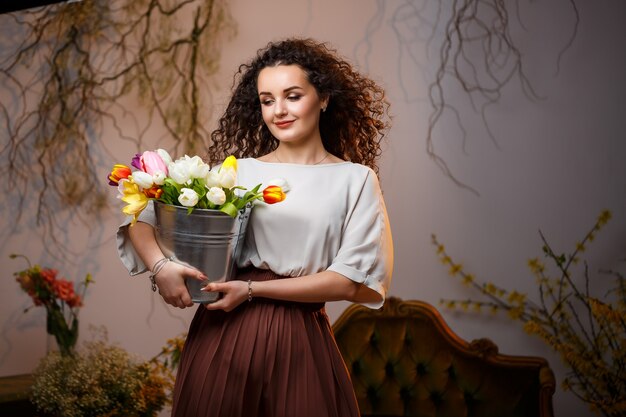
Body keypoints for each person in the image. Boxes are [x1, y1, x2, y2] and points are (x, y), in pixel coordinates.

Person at [117, 38, 393, 417]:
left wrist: (251, 290)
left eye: (292, 96)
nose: (278, 110)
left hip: (301, 338)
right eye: (267, 100)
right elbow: (143, 219)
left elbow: (348, 280)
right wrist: (161, 267)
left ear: (324, 97)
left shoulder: (355, 180)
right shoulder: (238, 173)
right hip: (223, 334)